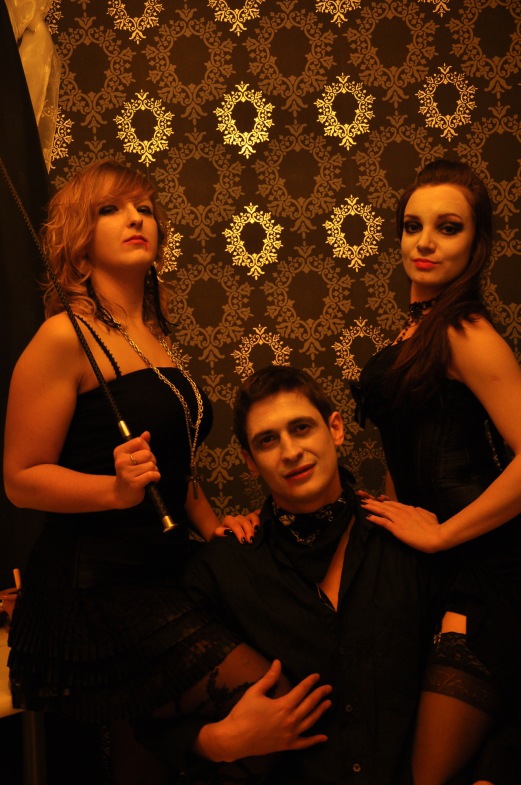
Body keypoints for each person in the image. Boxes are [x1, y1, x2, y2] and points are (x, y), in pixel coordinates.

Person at [2, 159, 332, 780]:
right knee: (279, 703)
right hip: (96, 590)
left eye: (145, 209)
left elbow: (173, 465)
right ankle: (217, 745)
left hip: (168, 570)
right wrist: (113, 489)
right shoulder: (64, 337)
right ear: (79, 243)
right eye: (111, 209)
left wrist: (211, 525)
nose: (135, 218)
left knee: (157, 751)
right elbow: (20, 478)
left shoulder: (150, 336)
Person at [176, 364, 445, 784]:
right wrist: (219, 742)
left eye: (301, 428)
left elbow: (489, 671)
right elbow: (155, 723)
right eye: (267, 440)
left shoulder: (410, 544)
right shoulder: (223, 569)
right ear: (249, 462)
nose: (289, 452)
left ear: (335, 429)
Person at [351, 159, 521, 785]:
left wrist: (444, 534)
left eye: (448, 228)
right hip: (433, 571)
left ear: (477, 244)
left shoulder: (465, 330)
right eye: (412, 226)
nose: (424, 242)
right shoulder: (419, 330)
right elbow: (408, 450)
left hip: (486, 569)